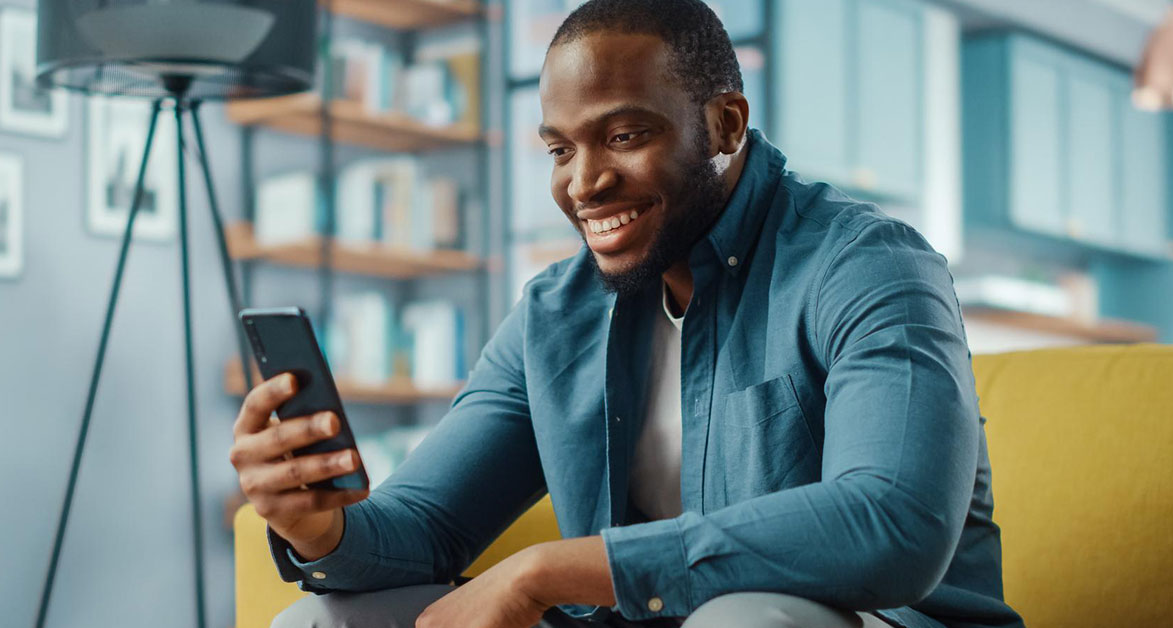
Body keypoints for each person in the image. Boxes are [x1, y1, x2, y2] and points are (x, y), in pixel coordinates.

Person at [228, 1, 1025, 627]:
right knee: (323, 617)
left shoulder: (869, 266)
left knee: (742, 621)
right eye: (561, 149)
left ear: (725, 125)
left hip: (869, 620)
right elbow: (430, 527)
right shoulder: (553, 312)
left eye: (623, 135)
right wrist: (319, 528)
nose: (584, 183)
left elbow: (891, 523)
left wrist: (549, 571)